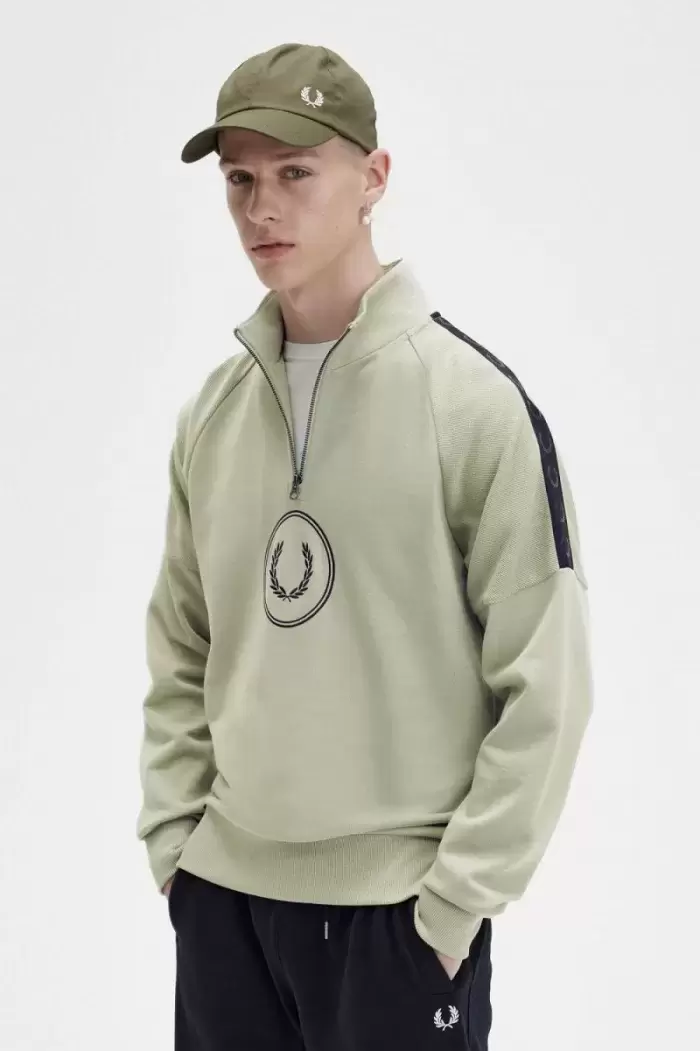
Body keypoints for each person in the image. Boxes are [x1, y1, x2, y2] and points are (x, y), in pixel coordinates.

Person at [136, 41, 594, 1051]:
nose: (262, 208)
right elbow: (181, 646)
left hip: (398, 916)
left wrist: (455, 904)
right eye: (240, 180)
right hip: (224, 905)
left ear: (374, 177)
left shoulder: (471, 407)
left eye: (296, 172)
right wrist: (177, 843)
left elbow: (547, 682)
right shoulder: (213, 415)